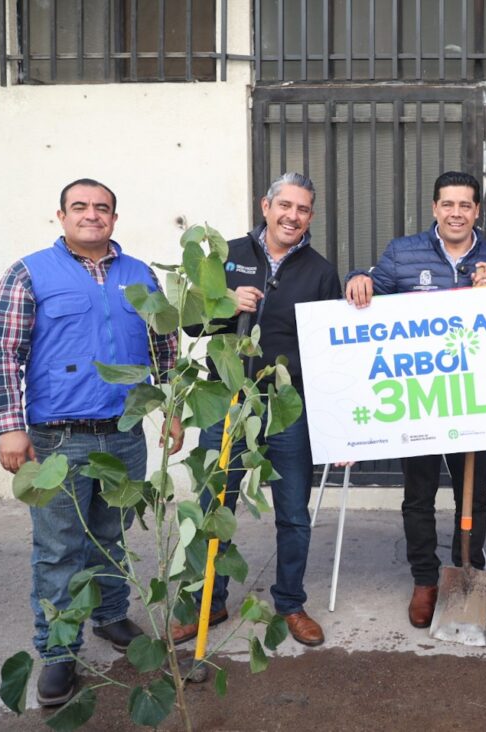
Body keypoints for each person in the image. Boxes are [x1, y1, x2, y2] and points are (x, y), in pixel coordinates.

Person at [0, 179, 184, 706]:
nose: (92, 215)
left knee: (112, 533)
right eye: (81, 207)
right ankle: (57, 654)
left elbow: (163, 345)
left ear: (114, 220)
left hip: (123, 433)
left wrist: (171, 409)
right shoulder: (29, 273)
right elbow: (6, 353)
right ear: (61, 215)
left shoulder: (138, 274)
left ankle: (111, 616)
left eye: (102, 208)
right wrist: (10, 425)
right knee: (58, 550)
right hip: (58, 438)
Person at [170, 173, 342, 648]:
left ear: (311, 216)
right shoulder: (225, 256)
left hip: (285, 407)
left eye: (303, 209)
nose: (293, 216)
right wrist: (226, 302)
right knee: (213, 506)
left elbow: (329, 348)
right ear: (265, 206)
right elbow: (189, 323)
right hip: (225, 401)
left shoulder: (321, 270)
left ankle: (290, 602)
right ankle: (208, 600)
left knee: (293, 513)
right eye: (284, 205)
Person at [346, 171, 486, 630]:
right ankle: (425, 580)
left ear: (477, 211)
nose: (457, 213)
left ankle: (470, 576)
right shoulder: (404, 253)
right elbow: (371, 287)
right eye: (448, 204)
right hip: (420, 401)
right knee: (418, 495)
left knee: (474, 495)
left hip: (473, 400)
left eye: (465, 205)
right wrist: (357, 278)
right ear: (434, 208)